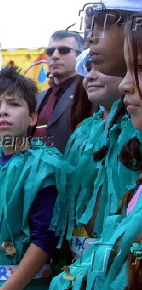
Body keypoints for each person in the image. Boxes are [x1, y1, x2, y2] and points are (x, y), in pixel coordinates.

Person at [0, 66, 73, 290]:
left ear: (32, 117)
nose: (3, 111)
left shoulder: (45, 167)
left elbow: (44, 238)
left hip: (27, 283)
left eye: (13, 104)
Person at [50, 15, 142, 289]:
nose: (90, 76)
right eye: (87, 70)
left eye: (135, 67)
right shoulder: (82, 130)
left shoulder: (131, 131)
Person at [34, 30, 85, 152]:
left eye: (64, 50)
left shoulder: (88, 95)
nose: (55, 56)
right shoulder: (38, 98)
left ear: (80, 55)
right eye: (50, 52)